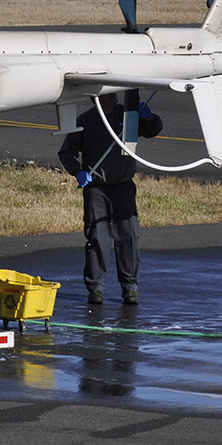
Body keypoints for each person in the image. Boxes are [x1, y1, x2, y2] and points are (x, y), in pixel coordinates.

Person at [58, 93, 163, 306]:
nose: (115, 94)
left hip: (124, 187)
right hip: (97, 189)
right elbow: (66, 153)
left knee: (129, 235)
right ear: (98, 97)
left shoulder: (128, 116)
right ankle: (96, 288)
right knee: (98, 237)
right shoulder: (85, 121)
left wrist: (149, 118)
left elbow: (152, 131)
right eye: (109, 92)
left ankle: (130, 287)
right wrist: (77, 172)